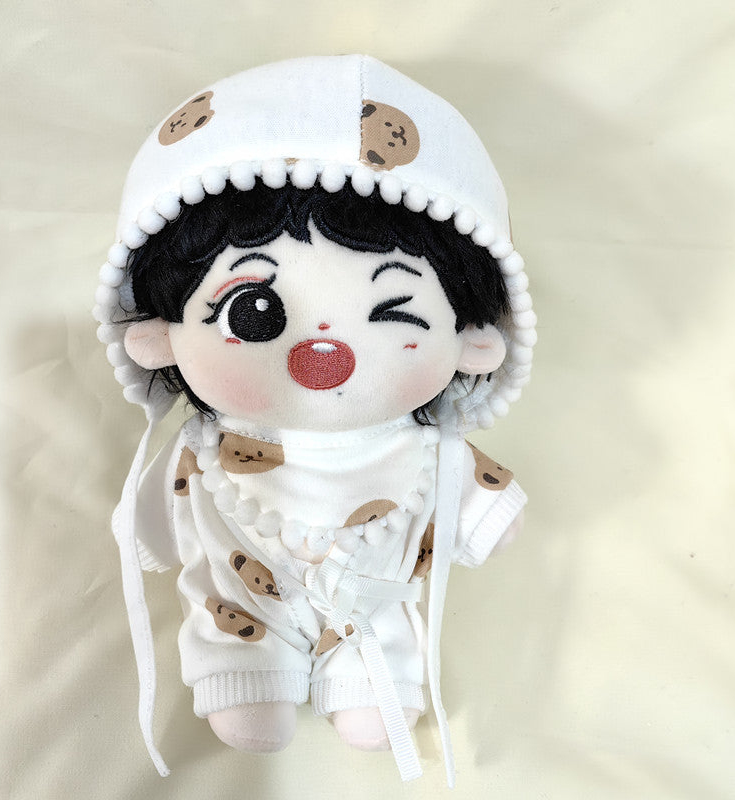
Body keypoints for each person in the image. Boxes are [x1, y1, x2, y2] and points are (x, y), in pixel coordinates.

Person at [95, 55, 536, 786]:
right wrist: (143, 536)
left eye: (393, 312)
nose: (323, 349)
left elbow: (481, 501)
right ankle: (245, 672)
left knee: (377, 671)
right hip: (240, 606)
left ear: (472, 342)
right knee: (236, 652)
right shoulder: (204, 452)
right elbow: (156, 529)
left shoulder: (427, 453)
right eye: (255, 311)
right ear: (160, 335)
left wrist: (486, 515)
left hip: (375, 614)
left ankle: (368, 679)